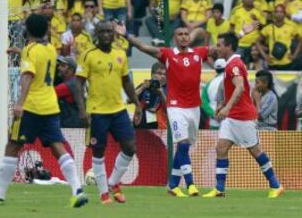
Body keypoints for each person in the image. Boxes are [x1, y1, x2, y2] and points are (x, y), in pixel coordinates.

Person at [114, 21, 259, 197]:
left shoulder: (199, 53)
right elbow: (144, 47)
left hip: (194, 108)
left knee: (185, 147)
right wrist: (126, 35)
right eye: (180, 34)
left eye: (186, 34)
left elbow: (222, 47)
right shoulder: (167, 54)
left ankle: (173, 185)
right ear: (174, 38)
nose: (183, 36)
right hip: (175, 107)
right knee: (182, 143)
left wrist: (242, 32)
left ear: (189, 37)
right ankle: (190, 184)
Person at [0, 14, 88, 208]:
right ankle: (77, 190)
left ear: (27, 30)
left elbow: (27, 76)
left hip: (32, 107)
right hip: (50, 106)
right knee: (57, 146)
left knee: (12, 146)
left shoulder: (30, 49)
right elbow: (40, 61)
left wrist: (19, 103)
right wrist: (19, 51)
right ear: (45, 30)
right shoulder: (50, 49)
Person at [202, 33, 283, 199]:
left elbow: (240, 88)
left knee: (255, 150)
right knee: (221, 148)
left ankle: (276, 185)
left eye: (219, 45)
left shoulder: (234, 65)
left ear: (228, 47)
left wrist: (227, 107)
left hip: (243, 116)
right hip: (232, 116)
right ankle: (219, 189)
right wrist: (222, 105)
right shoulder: (231, 64)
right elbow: (231, 89)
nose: (216, 48)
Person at [75, 20, 142, 204]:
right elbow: (78, 84)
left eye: (109, 32)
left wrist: (136, 103)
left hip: (118, 109)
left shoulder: (120, 54)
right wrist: (82, 110)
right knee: (98, 152)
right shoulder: (87, 55)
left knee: (130, 147)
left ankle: (113, 183)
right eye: (102, 31)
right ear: (96, 33)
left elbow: (126, 82)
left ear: (113, 34)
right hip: (97, 112)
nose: (106, 35)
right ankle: (104, 193)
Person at [135, 61, 167, 129]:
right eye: (159, 73)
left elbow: (169, 109)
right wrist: (142, 88)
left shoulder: (170, 89)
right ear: (152, 75)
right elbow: (129, 99)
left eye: (165, 74)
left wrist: (161, 94)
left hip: (161, 128)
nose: (162, 76)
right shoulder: (145, 85)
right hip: (141, 125)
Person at [54, 56, 82, 128]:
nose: (59, 68)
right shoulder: (75, 81)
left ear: (71, 69)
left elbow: (49, 94)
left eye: (63, 66)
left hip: (71, 124)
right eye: (59, 65)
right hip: (72, 122)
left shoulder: (69, 84)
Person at [201, 59, 226, 130]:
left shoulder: (209, 84)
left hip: (214, 122)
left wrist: (213, 114)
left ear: (215, 69)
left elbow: (203, 103)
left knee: (213, 141)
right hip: (228, 122)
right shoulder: (231, 82)